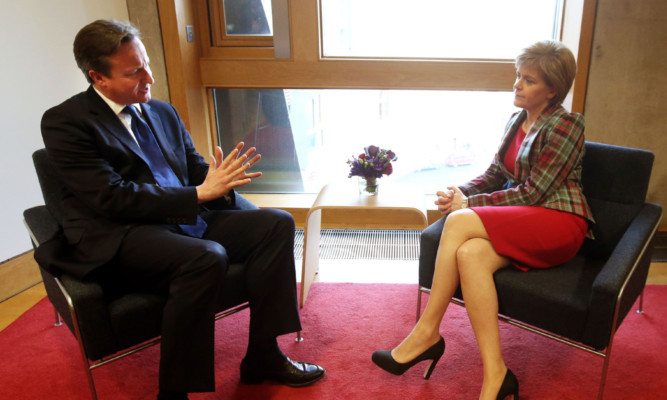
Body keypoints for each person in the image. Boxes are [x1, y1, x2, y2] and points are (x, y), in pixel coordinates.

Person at [38, 19, 324, 400]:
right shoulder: (66, 122)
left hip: (180, 220)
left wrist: (221, 181)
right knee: (206, 257)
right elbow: (111, 197)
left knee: (275, 224)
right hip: (121, 232)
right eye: (134, 71)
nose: (149, 77)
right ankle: (173, 393)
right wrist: (198, 196)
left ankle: (263, 356)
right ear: (98, 77)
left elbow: (193, 171)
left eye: (146, 63)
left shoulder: (161, 112)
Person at [371, 40, 594, 400]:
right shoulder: (517, 120)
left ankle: (427, 333)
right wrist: (458, 190)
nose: (517, 85)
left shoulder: (568, 124)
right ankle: (497, 375)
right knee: (470, 255)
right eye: (518, 76)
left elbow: (535, 192)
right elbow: (494, 172)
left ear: (553, 89)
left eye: (530, 80)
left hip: (559, 220)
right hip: (524, 220)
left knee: (459, 222)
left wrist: (467, 204)